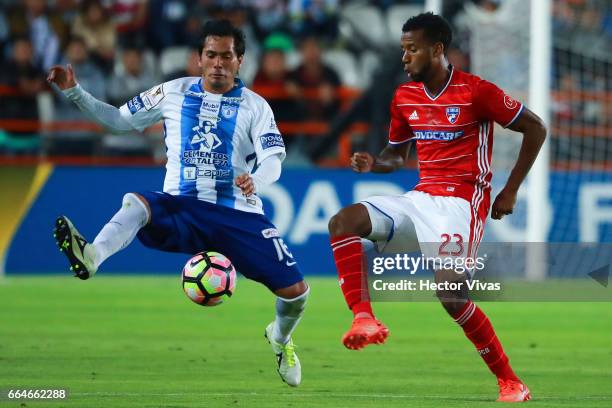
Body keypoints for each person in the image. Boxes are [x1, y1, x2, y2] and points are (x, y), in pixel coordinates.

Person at [47, 19, 309, 388]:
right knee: (137, 202)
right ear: (198, 58)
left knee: (297, 294)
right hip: (181, 206)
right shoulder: (172, 92)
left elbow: (273, 160)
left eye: (227, 56)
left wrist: (258, 179)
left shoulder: (255, 105)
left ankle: (280, 338)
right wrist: (75, 92)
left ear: (240, 61)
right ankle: (92, 256)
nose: (218, 63)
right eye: (211, 55)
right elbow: (120, 121)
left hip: (237, 212)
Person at [327, 13, 546, 403]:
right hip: (421, 198)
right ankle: (364, 316)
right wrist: (376, 163)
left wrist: (509, 190)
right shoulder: (404, 96)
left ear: (437, 49)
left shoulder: (476, 91)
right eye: (403, 49)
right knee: (343, 222)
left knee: (450, 294)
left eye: (412, 49)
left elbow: (536, 127)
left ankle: (511, 381)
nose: (405, 57)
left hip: (461, 204)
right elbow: (398, 153)